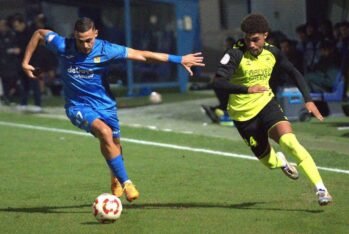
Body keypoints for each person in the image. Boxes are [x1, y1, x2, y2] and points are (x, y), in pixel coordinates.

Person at [21, 17, 204, 202]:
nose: (85, 45)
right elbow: (38, 33)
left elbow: (142, 55)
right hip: (78, 106)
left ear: (96, 33)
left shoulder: (107, 49)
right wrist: (25, 61)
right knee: (104, 132)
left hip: (105, 105)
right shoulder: (62, 46)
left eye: (89, 40)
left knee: (115, 144)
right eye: (80, 41)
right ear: (74, 36)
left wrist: (179, 59)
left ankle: (115, 176)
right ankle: (127, 183)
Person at [212, 14, 332, 206]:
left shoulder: (273, 52)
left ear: (265, 35)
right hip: (243, 117)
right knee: (268, 163)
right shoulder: (235, 54)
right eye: (247, 39)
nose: (251, 44)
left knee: (290, 142)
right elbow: (218, 82)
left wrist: (308, 100)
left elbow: (293, 72)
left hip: (267, 105)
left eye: (255, 39)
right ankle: (282, 163)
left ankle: (321, 189)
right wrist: (247, 89)